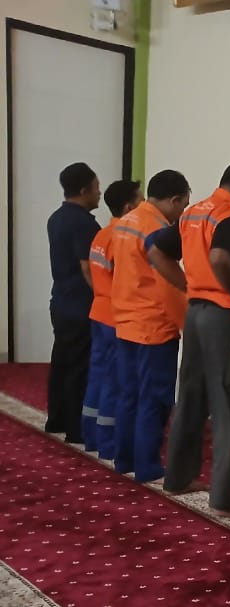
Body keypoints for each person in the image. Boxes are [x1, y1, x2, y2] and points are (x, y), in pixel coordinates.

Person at [159, 161, 230, 517]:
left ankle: (177, 478)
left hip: (196, 314)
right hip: (227, 318)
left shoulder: (194, 212)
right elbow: (221, 258)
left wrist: (190, 287)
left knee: (191, 398)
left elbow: (156, 251)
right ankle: (225, 498)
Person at [111, 170, 192, 484]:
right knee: (154, 399)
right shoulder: (157, 230)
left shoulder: (125, 222)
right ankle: (147, 465)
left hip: (125, 321)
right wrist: (186, 322)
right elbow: (166, 285)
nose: (183, 211)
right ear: (174, 200)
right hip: (153, 326)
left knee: (128, 395)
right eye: (184, 204)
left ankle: (124, 459)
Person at [83, 178, 143, 460]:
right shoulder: (123, 238)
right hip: (116, 318)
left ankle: (92, 436)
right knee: (115, 381)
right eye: (141, 200)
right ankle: (108, 442)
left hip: (98, 311)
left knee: (97, 376)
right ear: (129, 207)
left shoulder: (102, 234)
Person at [45, 162, 102, 444]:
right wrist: (105, 296)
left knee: (62, 362)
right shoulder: (84, 223)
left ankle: (56, 418)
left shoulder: (56, 218)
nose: (99, 193)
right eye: (96, 187)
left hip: (61, 300)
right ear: (83, 190)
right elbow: (87, 266)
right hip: (81, 304)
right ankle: (75, 427)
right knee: (79, 367)